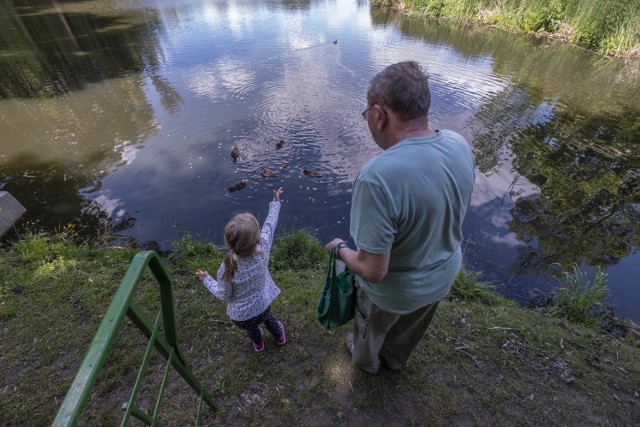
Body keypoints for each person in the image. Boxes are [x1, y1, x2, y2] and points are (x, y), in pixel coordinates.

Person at [326, 61, 475, 374]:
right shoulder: (458, 145)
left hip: (395, 291)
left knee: (370, 330)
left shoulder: (377, 178)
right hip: (442, 277)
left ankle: (365, 363)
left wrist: (339, 249)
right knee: (408, 329)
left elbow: (373, 270)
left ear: (379, 115)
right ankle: (394, 359)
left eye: (367, 114)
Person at [196, 187, 286, 352]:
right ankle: (279, 337)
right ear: (257, 238)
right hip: (263, 306)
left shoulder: (227, 268)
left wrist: (206, 279)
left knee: (252, 329)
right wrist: (275, 203)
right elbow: (270, 225)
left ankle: (258, 343)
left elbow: (224, 295)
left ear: (230, 245)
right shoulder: (263, 249)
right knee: (270, 320)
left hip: (241, 317)